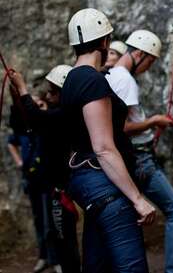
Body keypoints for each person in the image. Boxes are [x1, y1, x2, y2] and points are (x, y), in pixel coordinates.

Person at [61, 8, 155, 272]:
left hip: (88, 184)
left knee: (97, 265)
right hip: (104, 184)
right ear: (104, 42)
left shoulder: (71, 79)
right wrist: (137, 199)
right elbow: (102, 147)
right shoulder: (91, 81)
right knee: (132, 267)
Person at [105, 29, 173, 273]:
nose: (148, 67)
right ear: (140, 53)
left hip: (132, 156)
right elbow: (123, 127)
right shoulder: (125, 80)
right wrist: (153, 121)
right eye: (150, 61)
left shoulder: (111, 74)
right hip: (140, 157)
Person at [9, 64, 81, 273]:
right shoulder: (59, 116)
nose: (48, 96)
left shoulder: (61, 117)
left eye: (52, 92)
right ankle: (60, 262)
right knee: (59, 233)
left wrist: (22, 88)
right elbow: (23, 120)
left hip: (60, 189)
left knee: (63, 235)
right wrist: (17, 92)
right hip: (52, 186)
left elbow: (36, 117)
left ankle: (66, 266)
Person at [6, 88, 62, 273]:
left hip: (46, 178)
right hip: (30, 179)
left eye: (41, 104)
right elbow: (11, 140)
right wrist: (19, 161)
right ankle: (43, 257)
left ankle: (55, 259)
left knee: (49, 222)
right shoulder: (24, 126)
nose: (37, 108)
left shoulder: (46, 125)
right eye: (34, 105)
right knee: (38, 219)